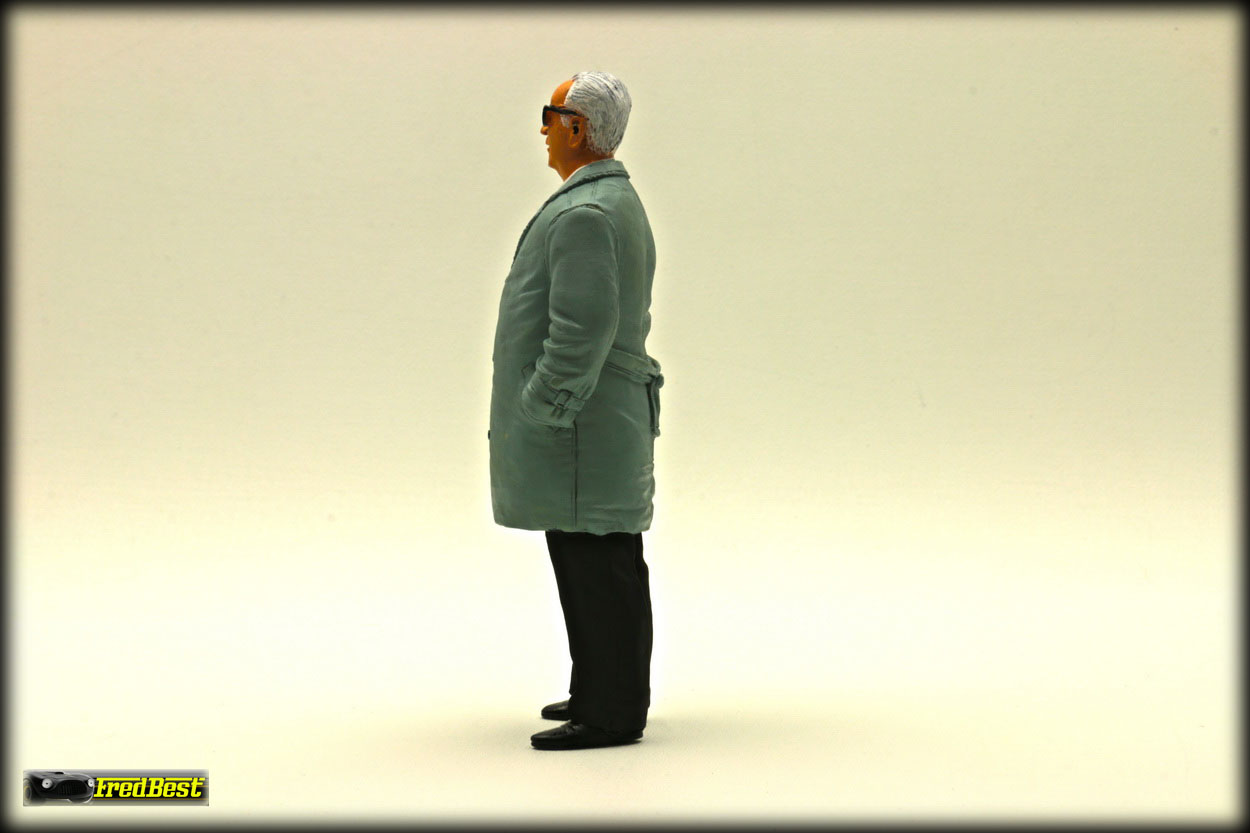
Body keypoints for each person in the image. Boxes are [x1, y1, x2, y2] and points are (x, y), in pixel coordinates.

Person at [487, 71, 662, 750]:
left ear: (577, 128)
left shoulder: (586, 213)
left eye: (550, 114)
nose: (543, 129)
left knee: (600, 568)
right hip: (592, 427)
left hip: (582, 429)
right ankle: (599, 689)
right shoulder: (604, 201)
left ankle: (612, 711)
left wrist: (543, 408)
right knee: (593, 563)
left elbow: (580, 333)